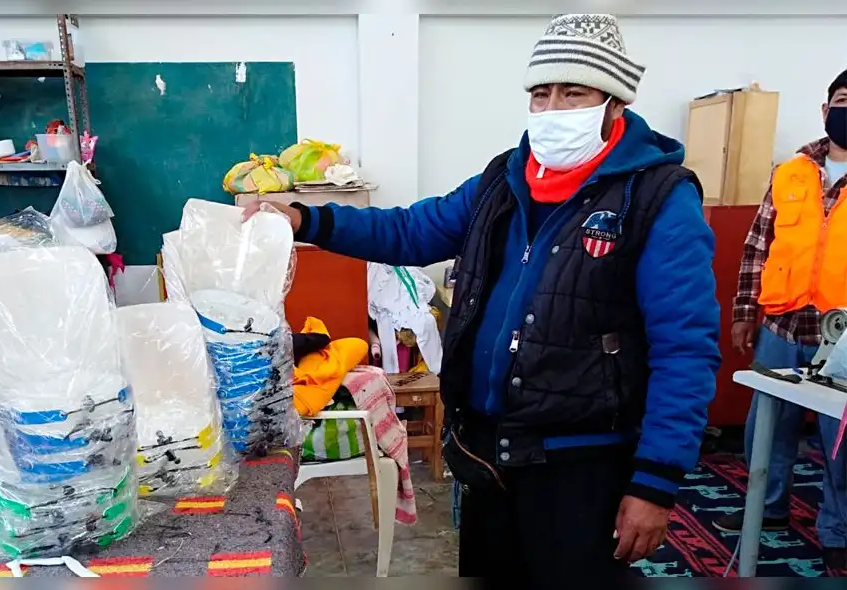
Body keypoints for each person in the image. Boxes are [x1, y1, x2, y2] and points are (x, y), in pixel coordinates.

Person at [245, 14, 720, 584]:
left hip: (582, 460)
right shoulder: (506, 179)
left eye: (574, 92)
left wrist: (655, 482)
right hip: (490, 455)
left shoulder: (656, 198)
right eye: (540, 94)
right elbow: (412, 231)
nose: (553, 109)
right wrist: (308, 218)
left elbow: (685, 351)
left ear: (614, 102)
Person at [716, 68, 847, 573]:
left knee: (840, 443)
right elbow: (756, 247)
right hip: (782, 325)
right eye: (842, 98)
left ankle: (837, 529)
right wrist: (745, 312)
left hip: (840, 338)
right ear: (824, 108)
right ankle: (766, 510)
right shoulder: (791, 172)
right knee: (767, 428)